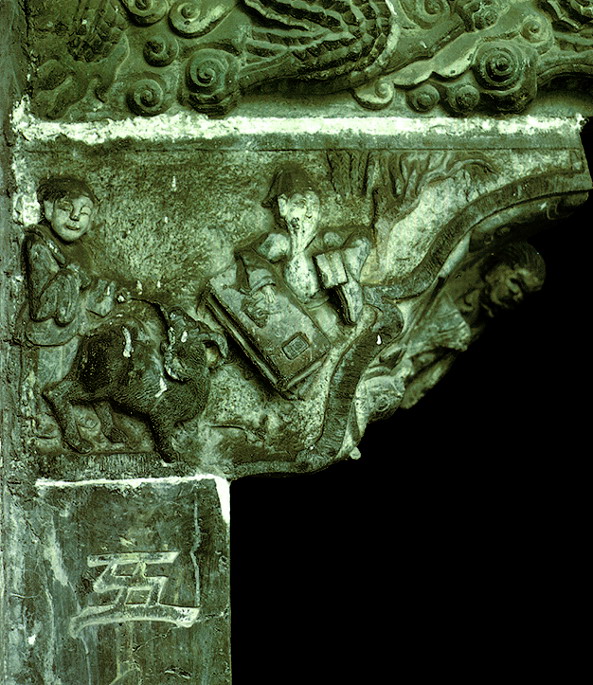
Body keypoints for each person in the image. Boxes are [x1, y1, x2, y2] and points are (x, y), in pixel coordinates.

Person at [23, 177, 120, 435]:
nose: (75, 217)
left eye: (84, 212)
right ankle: (41, 418)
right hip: (48, 333)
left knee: (70, 371)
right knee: (47, 377)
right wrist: (70, 277)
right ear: (48, 210)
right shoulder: (39, 244)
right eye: (67, 208)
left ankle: (71, 410)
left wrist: (104, 289)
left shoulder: (81, 250)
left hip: (73, 329)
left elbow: (86, 288)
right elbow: (41, 307)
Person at [238, 164, 371, 329]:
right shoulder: (280, 241)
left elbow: (362, 238)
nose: (309, 213)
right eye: (301, 204)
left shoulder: (326, 239)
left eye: (314, 205)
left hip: (324, 310)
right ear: (283, 205)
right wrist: (264, 282)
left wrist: (345, 264)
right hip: (291, 312)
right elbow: (250, 254)